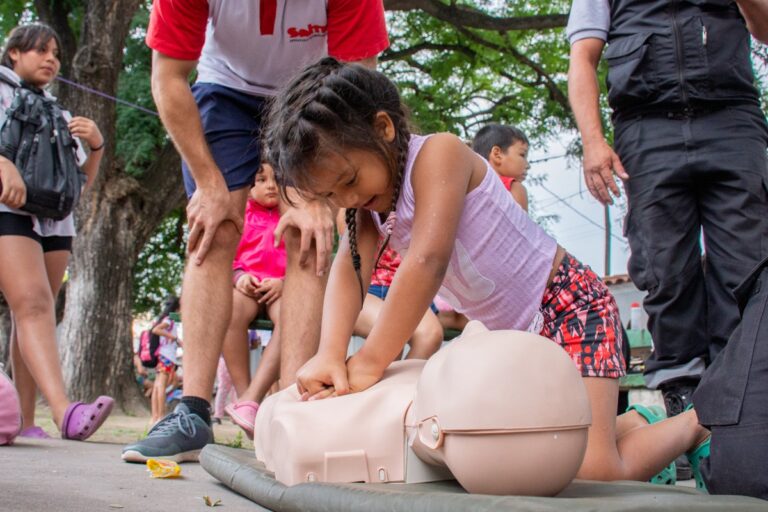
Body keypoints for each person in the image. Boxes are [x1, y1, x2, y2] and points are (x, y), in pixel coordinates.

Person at [263, 57, 711, 486]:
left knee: (591, 469)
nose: (346, 199)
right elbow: (349, 271)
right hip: (512, 339)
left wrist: (371, 360)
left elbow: (426, 261)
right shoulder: (364, 207)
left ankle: (696, 424)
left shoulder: (439, 154)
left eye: (348, 181)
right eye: (331, 194)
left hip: (570, 308)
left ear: (383, 128)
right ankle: (641, 423)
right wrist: (328, 352)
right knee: (538, 450)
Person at [122, 0, 389, 463]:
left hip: (315, 94)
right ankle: (193, 412)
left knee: (307, 232)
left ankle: (294, 407)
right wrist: (209, 184)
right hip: (225, 86)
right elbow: (168, 77)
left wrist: (318, 198)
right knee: (216, 224)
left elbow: (358, 89)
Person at [566, 0, 768, 481]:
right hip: (645, 125)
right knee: (664, 272)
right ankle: (683, 415)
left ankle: (740, 411)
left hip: (731, 120)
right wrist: (593, 141)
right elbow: (583, 58)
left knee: (748, 271)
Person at [0, 23, 113, 440]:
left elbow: (82, 182)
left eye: (56, 54)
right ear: (13, 53)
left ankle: (25, 422)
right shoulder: (3, 94)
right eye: (40, 50)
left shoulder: (59, 112)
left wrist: (97, 147)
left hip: (54, 218)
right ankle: (66, 411)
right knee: (32, 304)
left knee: (31, 315)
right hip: (9, 207)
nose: (51, 59)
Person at [221, 163, 285, 439]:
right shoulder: (241, 215)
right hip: (249, 284)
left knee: (291, 318)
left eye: (276, 179)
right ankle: (243, 393)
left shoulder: (291, 215)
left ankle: (253, 395)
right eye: (261, 180)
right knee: (231, 310)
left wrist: (286, 282)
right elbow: (228, 257)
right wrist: (238, 276)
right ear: (249, 189)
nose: (271, 185)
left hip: (281, 287)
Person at [338, 209, 444, 361]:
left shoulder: (412, 205)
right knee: (390, 337)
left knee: (430, 335)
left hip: (402, 289)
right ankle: (368, 378)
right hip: (367, 290)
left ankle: (399, 383)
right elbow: (354, 255)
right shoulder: (358, 208)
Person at [471, 124, 530, 212]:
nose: (528, 165)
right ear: (497, 154)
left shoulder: (469, 186)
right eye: (522, 155)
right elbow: (517, 225)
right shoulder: (514, 188)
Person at [149, 297, 181, 425]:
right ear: (177, 307)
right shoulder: (169, 320)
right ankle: (160, 416)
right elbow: (156, 330)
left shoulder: (171, 319)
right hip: (167, 356)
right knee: (161, 385)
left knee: (157, 385)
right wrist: (173, 338)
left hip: (163, 355)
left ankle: (155, 416)